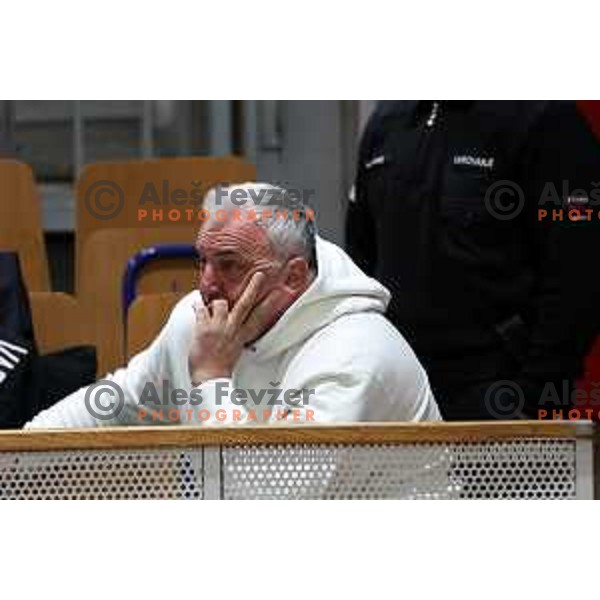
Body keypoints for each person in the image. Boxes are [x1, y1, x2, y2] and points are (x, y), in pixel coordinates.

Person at [26, 182, 441, 428]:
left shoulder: (354, 356)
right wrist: (17, 450)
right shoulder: (202, 317)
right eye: (201, 261)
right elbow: (120, 400)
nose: (206, 285)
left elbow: (268, 504)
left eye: (229, 265)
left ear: (293, 277)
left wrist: (211, 378)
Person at [346, 101, 600, 420]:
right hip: (396, 391)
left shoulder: (544, 117)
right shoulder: (387, 121)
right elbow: (360, 261)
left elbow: (579, 270)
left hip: (500, 397)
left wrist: (535, 391)